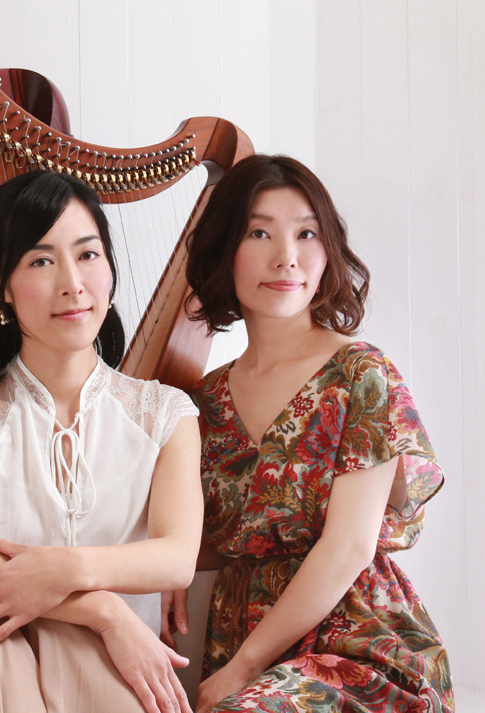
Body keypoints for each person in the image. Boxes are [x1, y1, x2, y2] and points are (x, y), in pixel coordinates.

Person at [0, 170, 204, 713]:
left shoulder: (165, 413)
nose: (73, 283)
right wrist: (103, 610)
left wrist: (65, 570)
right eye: (40, 261)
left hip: (109, 667)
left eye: (87, 254)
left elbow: (177, 558)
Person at [171, 154, 453, 712]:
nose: (287, 257)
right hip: (242, 637)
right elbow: (210, 539)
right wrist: (165, 571)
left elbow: (349, 546)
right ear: (225, 248)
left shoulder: (360, 373)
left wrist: (245, 667)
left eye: (307, 233)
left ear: (327, 252)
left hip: (355, 640)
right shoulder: (204, 400)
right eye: (259, 233)